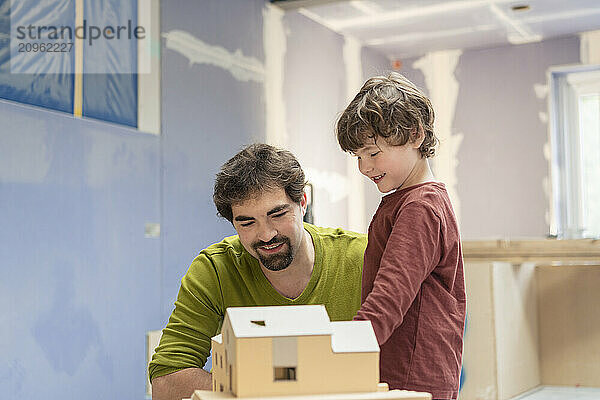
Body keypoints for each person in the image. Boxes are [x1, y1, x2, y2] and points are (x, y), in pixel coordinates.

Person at [149, 144, 366, 400]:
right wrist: (264, 389)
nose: (266, 234)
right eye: (247, 222)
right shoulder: (215, 270)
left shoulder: (362, 257)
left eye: (277, 214)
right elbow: (166, 380)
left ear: (302, 202)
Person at [336, 72, 466, 400]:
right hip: (404, 368)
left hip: (413, 375)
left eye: (373, 153)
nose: (364, 167)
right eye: (358, 157)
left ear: (415, 134)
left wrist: (335, 351)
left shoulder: (420, 207)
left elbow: (390, 296)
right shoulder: (408, 201)